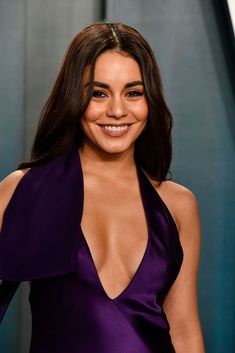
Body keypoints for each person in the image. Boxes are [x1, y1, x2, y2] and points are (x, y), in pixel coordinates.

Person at [0, 22, 205, 353]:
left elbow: (184, 331)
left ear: (149, 100)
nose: (117, 110)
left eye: (133, 92)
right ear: (73, 97)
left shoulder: (178, 204)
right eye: (98, 93)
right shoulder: (23, 191)